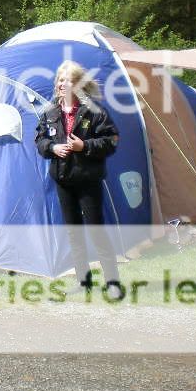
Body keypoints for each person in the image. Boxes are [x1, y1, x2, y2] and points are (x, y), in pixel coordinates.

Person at [35, 60, 124, 299]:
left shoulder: (94, 111)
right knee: (74, 233)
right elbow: (39, 140)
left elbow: (112, 141)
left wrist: (84, 145)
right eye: (60, 80)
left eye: (67, 80)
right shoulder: (50, 111)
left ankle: (113, 283)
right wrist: (52, 148)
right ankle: (84, 282)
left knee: (96, 231)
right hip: (63, 180)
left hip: (88, 179)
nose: (62, 84)